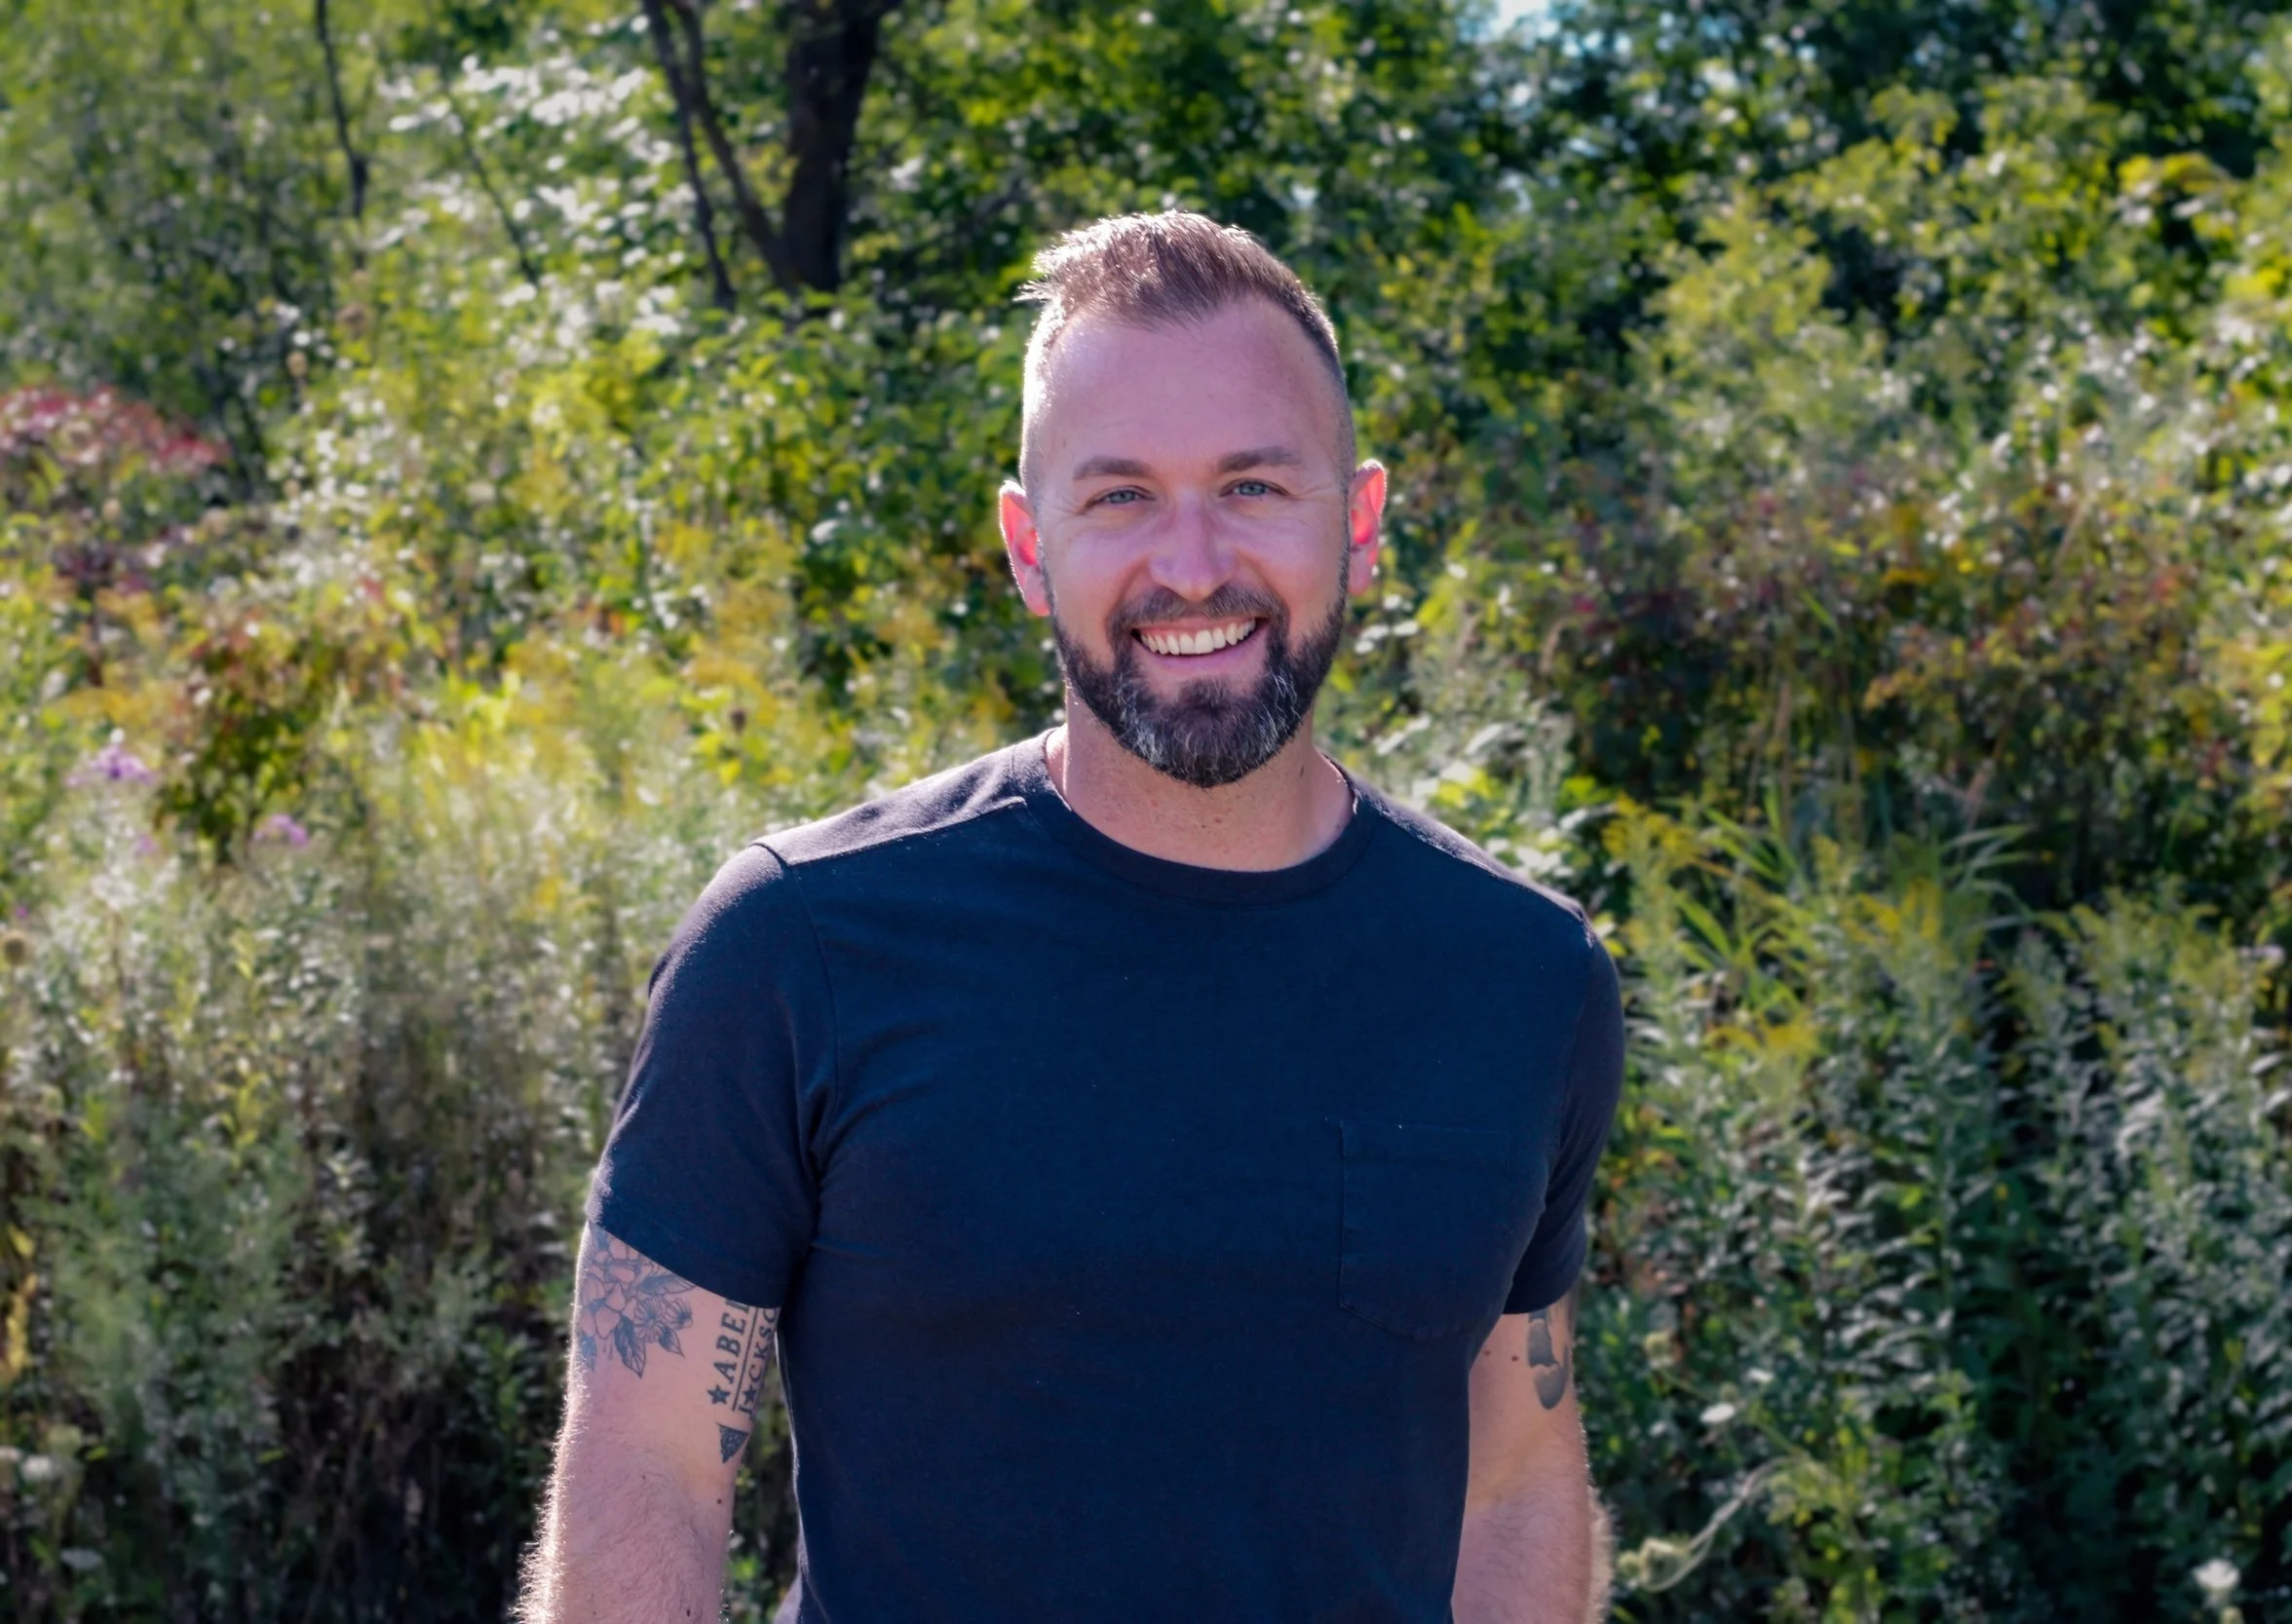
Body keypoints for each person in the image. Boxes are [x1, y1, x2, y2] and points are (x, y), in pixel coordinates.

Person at [517, 210, 1625, 1624]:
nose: (1192, 563)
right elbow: (651, 1460)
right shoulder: (802, 948)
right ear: (1028, 546)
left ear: (1355, 518)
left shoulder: (1519, 978)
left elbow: (1514, 1473)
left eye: (1252, 485)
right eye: (1120, 498)